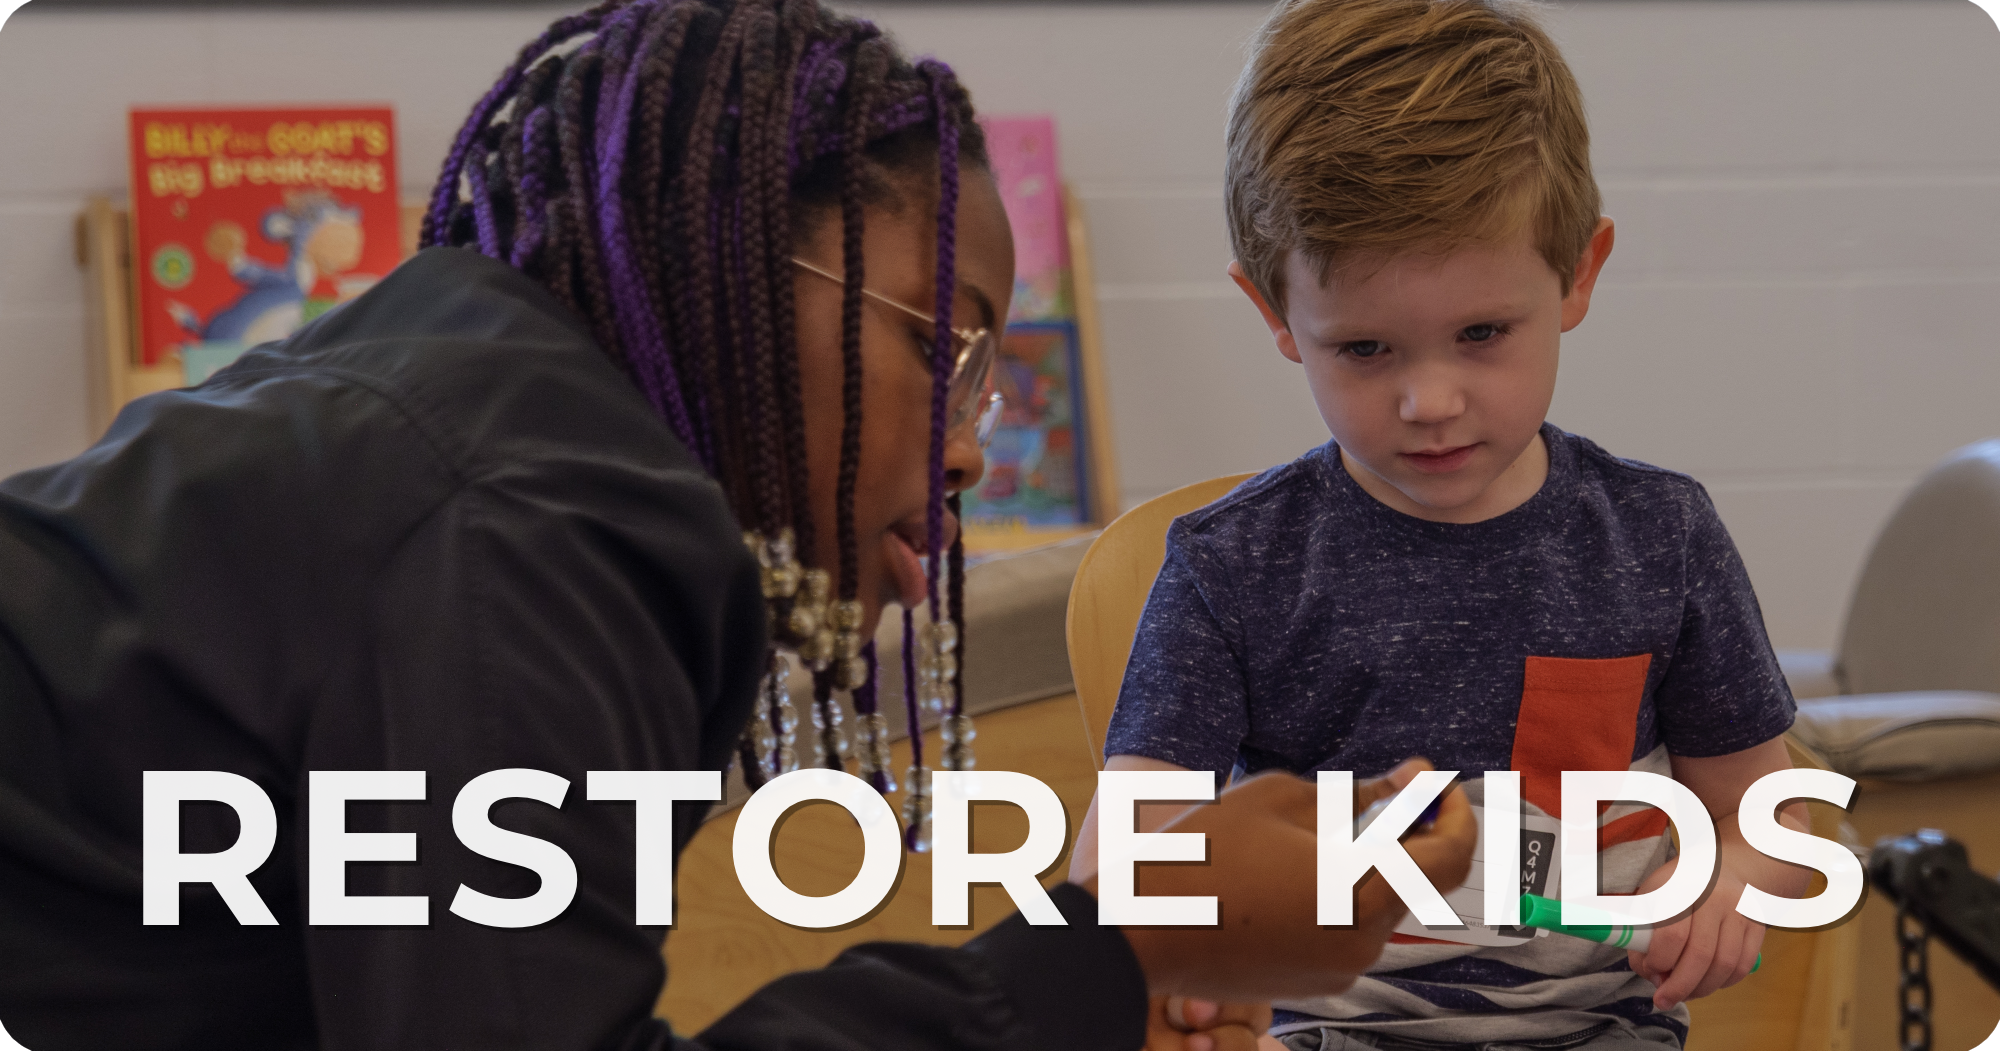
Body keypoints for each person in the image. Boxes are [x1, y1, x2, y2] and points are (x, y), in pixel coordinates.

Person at [0, 1, 1476, 1049]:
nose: (969, 447)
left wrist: (1098, 956)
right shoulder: (513, 520)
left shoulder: (466, 412)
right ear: (734, 271)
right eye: (942, 347)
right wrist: (1126, 942)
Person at [1068, 1, 1816, 1049]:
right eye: (1364, 350)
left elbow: (1767, 815)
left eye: (1479, 333)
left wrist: (1735, 888)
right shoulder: (1230, 567)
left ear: (1577, 272)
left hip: (1599, 1028)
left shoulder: (1657, 535)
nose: (1429, 400)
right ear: (1275, 315)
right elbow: (1118, 868)